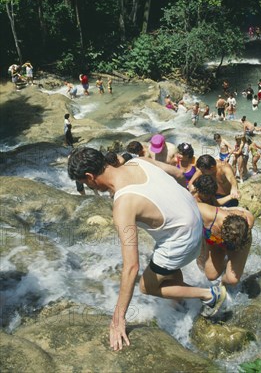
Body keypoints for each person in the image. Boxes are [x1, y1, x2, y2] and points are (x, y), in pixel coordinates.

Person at [67, 148, 227, 351]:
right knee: (163, 267)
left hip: (183, 240)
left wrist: (118, 318)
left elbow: (132, 266)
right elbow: (178, 174)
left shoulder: (123, 204)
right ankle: (181, 304)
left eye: (84, 183)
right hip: (196, 220)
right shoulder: (139, 162)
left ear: (89, 177)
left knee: (147, 286)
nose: (87, 186)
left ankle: (209, 295)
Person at [192, 175, 254, 286]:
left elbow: (246, 213)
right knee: (210, 275)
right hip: (214, 240)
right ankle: (225, 264)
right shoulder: (207, 213)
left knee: (232, 280)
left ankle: (223, 286)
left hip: (238, 241)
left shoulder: (247, 224)